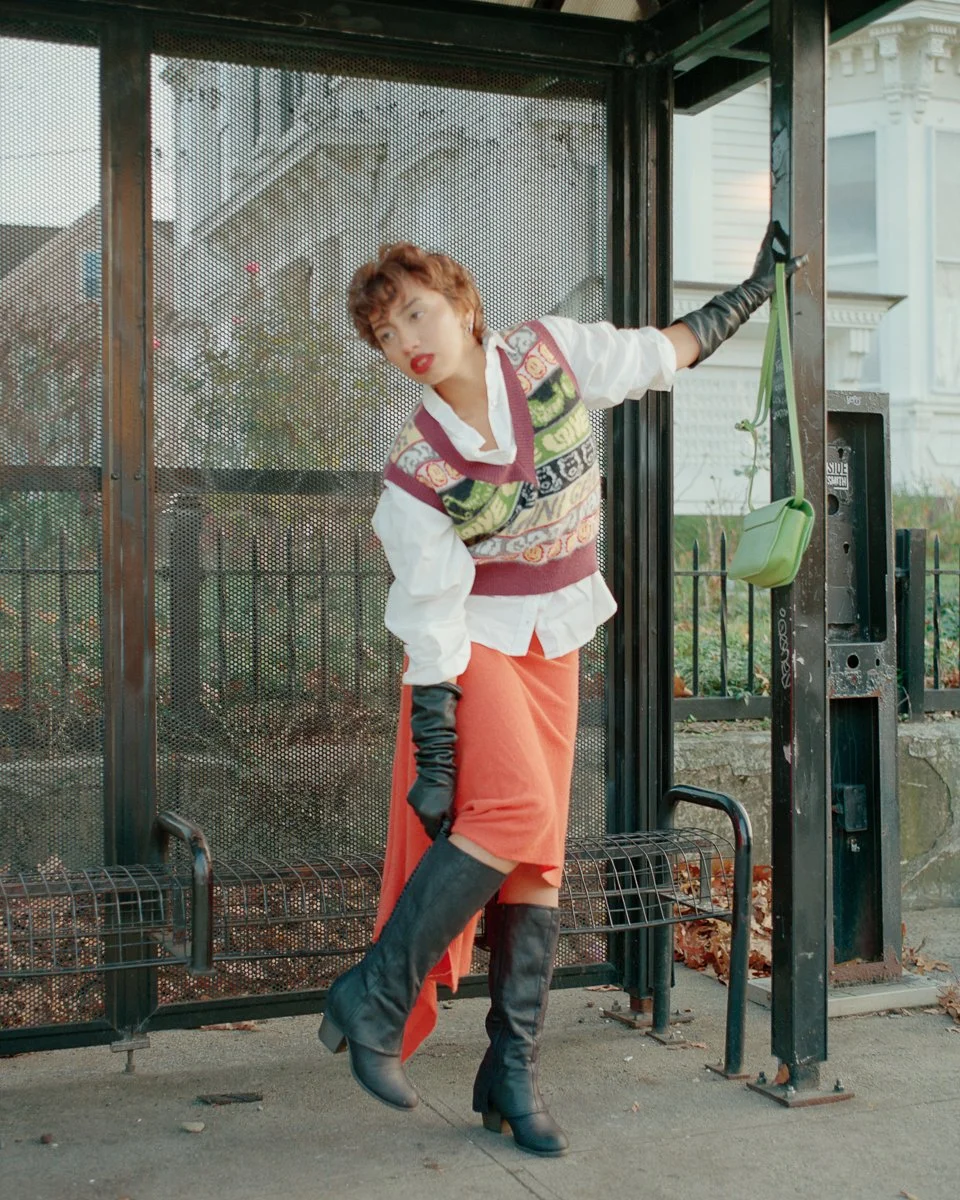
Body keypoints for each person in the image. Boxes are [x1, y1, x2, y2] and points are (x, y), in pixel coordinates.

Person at [319, 223, 802, 1156]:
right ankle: (373, 996)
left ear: (463, 304)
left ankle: (511, 1070)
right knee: (517, 813)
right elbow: (431, 613)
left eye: (416, 312)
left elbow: (663, 353)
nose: (406, 338)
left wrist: (751, 291)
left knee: (536, 854)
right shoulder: (417, 472)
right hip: (478, 642)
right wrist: (437, 749)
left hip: (555, 639)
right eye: (385, 332)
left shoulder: (551, 355)